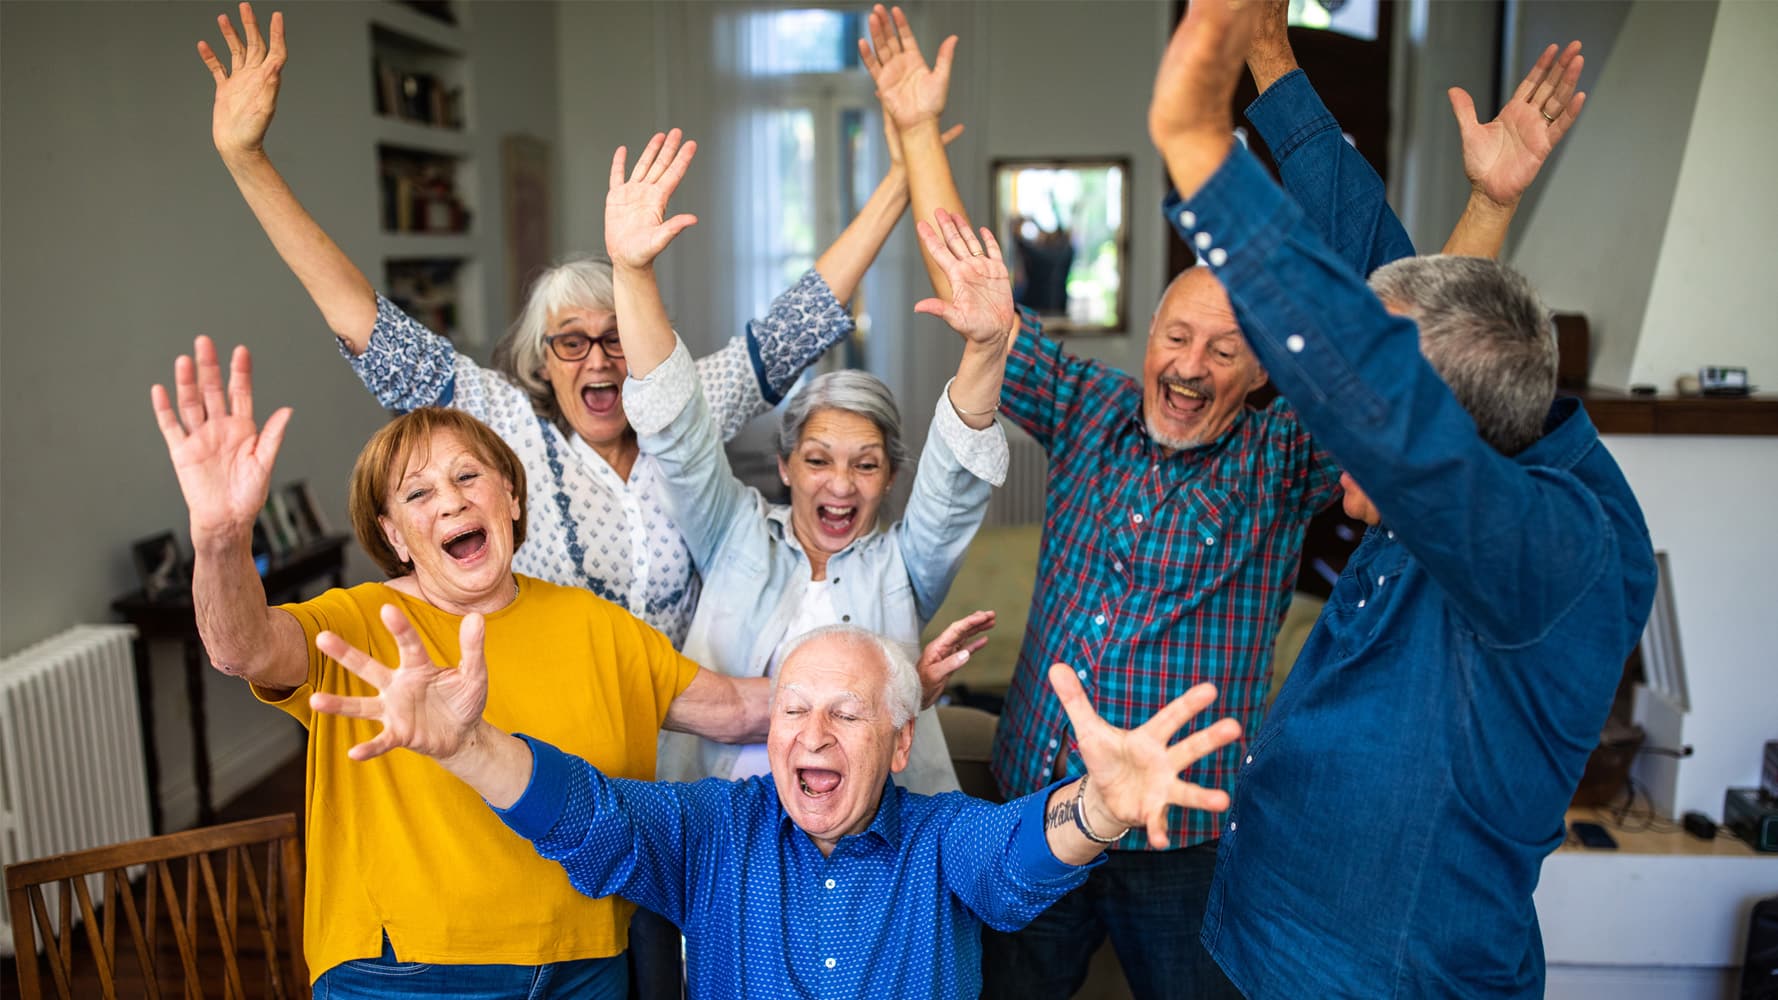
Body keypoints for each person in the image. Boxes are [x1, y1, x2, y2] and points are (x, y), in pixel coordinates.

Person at [860, 3, 1591, 995]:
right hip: (1043, 799)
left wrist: (1489, 203)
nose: (1188, 366)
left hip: (1185, 833)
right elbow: (974, 288)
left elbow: (1410, 355)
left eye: (1223, 348)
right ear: (1146, 336)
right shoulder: (1090, 407)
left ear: (1262, 374)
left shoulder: (1285, 454)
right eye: (1173, 337)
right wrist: (910, 128)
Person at [1145, 2, 1655, 996]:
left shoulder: (1564, 549)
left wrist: (1203, 153)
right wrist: (1265, 50)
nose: (1330, 436)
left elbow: (1390, 407)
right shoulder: (1490, 418)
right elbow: (1370, 276)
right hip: (1253, 933)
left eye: (1359, 415)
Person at [196, 3, 955, 649]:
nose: (599, 360)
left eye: (617, 336)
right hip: (556, 734)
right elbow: (363, 320)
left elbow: (803, 316)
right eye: (571, 341)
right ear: (542, 360)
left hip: (682, 732)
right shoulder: (497, 423)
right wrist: (246, 160)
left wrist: (900, 176)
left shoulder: (685, 403)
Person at [151, 336, 791, 995]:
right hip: (410, 968)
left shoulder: (596, 623)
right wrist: (221, 540)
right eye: (418, 494)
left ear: (510, 498)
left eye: (467, 476)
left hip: (587, 961)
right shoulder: (359, 620)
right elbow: (239, 647)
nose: (451, 501)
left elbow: (740, 709)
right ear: (395, 536)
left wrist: (895, 682)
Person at [304, 610, 1246, 998]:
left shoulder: (939, 835)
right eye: (793, 710)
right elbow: (591, 817)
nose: (814, 733)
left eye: (847, 713)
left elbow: (1013, 862)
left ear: (901, 742)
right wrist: (467, 747)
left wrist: (1100, 810)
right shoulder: (717, 828)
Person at [599, 130, 1015, 794]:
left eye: (867, 464)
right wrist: (631, 271)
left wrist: (987, 348)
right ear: (786, 466)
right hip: (726, 824)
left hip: (871, 837)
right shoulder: (733, 532)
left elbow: (956, 475)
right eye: (819, 459)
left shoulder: (903, 568)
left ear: (890, 478)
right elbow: (676, 427)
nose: (841, 484)